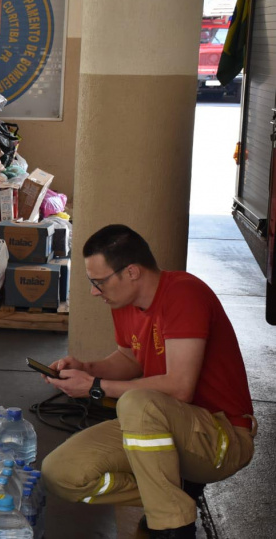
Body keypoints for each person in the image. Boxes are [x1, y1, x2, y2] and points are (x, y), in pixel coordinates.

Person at [41, 224, 256, 539]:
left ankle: (172, 528)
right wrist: (86, 367)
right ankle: (171, 496)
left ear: (131, 272)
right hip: (162, 426)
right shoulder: (123, 303)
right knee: (60, 473)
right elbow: (129, 360)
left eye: (99, 281)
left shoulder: (184, 293)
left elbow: (180, 387)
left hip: (221, 437)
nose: (94, 291)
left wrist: (94, 387)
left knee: (136, 404)